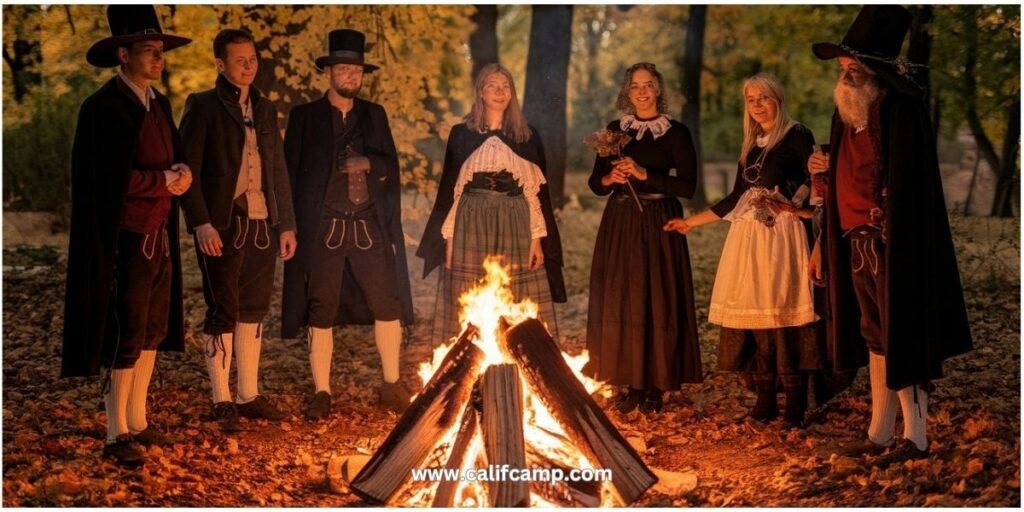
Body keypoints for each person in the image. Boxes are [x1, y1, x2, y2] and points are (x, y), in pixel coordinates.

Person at [808, 5, 972, 461]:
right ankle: (880, 431)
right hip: (852, 239)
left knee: (904, 335)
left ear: (876, 70)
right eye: (842, 68)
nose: (845, 77)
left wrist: (892, 230)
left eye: (853, 68)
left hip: (893, 242)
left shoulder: (901, 109)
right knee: (873, 334)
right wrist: (822, 229)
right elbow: (840, 176)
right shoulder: (844, 115)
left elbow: (910, 185)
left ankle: (915, 438)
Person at [62, 5, 192, 467]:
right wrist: (163, 182)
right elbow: (104, 179)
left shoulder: (158, 103)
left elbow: (170, 158)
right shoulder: (102, 108)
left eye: (160, 51)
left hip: (159, 235)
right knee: (126, 331)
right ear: (124, 54)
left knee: (153, 329)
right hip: (125, 240)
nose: (159, 59)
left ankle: (137, 420)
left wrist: (181, 174)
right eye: (150, 51)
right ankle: (116, 432)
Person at [665, 73, 823, 427]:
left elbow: (816, 182)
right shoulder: (751, 145)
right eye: (751, 99)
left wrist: (795, 206)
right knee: (756, 317)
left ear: (777, 99)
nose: (757, 105)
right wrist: (690, 223)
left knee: (783, 314)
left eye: (763, 97)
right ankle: (765, 401)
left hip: (782, 236)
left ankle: (795, 406)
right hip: (748, 238)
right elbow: (736, 197)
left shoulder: (797, 134)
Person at [281, 29, 415, 418]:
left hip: (369, 225)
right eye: (343, 69)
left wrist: (369, 163)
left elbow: (392, 164)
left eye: (356, 71)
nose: (351, 77)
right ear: (329, 73)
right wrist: (288, 226)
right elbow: (288, 174)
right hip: (323, 227)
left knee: (386, 301)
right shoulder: (304, 117)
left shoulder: (375, 115)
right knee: (320, 306)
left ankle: (390, 384)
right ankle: (322, 392)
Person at [180, 29, 298, 430]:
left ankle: (248, 395)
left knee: (254, 309)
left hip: (264, 222)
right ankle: (221, 398)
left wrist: (288, 225)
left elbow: (278, 168)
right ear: (220, 64)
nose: (248, 67)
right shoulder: (202, 106)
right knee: (223, 310)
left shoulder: (265, 108)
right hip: (221, 225)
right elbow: (189, 173)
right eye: (239, 61)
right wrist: (201, 223)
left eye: (252, 59)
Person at [417, 63, 566, 347]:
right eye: (492, 86)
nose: (499, 92)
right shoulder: (462, 134)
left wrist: (537, 240)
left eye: (505, 86)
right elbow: (452, 192)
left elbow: (535, 195)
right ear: (480, 93)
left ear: (512, 93)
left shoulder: (528, 136)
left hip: (516, 220)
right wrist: (447, 239)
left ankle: (514, 364)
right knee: (469, 294)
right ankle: (469, 367)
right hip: (470, 220)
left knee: (514, 294)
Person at [584, 62, 702, 415]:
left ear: (658, 89)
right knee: (624, 297)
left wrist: (644, 174)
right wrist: (612, 178)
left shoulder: (676, 133)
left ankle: (654, 385)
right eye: (635, 86)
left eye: (648, 85)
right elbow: (595, 184)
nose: (642, 91)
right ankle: (631, 382)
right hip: (620, 221)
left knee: (656, 297)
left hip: (659, 220)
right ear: (627, 91)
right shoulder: (614, 132)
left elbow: (688, 187)